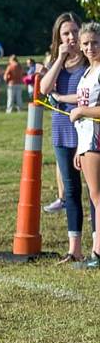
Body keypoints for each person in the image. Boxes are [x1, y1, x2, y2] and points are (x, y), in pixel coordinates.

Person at [39, 12, 91, 262]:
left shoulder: (91, 60)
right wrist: (59, 58)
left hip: (89, 132)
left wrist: (61, 99)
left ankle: (96, 249)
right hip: (62, 131)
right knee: (70, 191)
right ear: (58, 38)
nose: (71, 37)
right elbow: (44, 89)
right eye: (65, 33)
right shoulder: (55, 59)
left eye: (74, 32)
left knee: (94, 191)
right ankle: (75, 249)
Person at [68, 22, 100, 268]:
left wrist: (81, 110)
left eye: (95, 42)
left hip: (97, 139)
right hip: (87, 140)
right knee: (95, 196)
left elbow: (90, 110)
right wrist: (80, 148)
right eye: (86, 43)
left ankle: (97, 253)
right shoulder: (88, 72)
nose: (90, 47)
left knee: (98, 198)